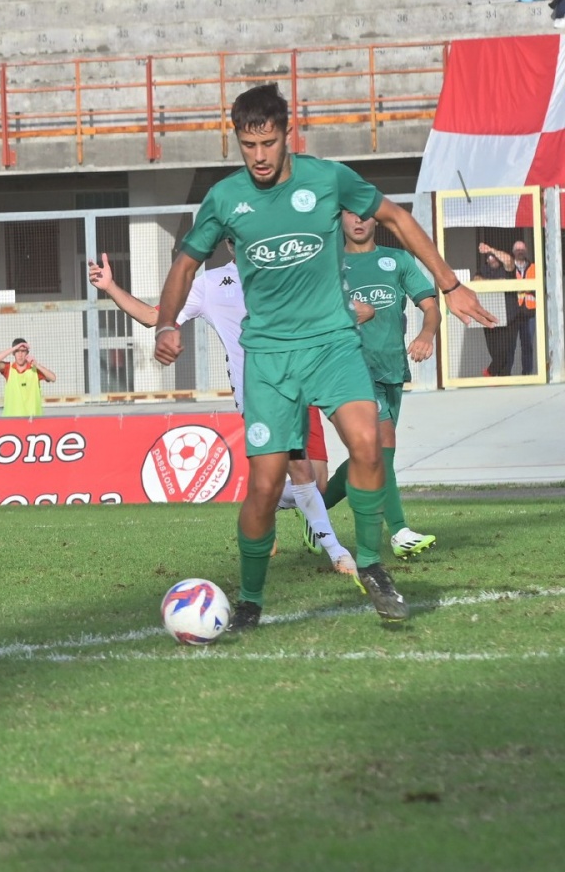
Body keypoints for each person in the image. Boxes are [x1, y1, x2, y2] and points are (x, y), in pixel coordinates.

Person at [151, 84, 492, 632]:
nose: (258, 156)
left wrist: (450, 285)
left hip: (333, 342)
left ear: (288, 134)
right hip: (268, 358)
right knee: (265, 486)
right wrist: (167, 324)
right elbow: (185, 265)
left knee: (369, 444)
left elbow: (399, 220)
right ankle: (252, 602)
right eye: (247, 145)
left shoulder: (328, 178)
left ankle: (373, 566)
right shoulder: (225, 199)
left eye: (267, 142)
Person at [89, 250, 359, 574]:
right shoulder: (212, 284)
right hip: (258, 395)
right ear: (232, 244)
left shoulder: (285, 271)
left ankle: (267, 505)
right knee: (299, 472)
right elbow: (152, 316)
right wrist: (111, 287)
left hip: (303, 385)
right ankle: (337, 553)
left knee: (317, 482)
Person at [318, 211, 441, 560]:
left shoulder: (398, 260)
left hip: (391, 366)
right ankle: (399, 531)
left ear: (377, 222)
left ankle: (316, 512)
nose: (358, 222)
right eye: (350, 215)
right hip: (351, 368)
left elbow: (431, 308)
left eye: (366, 216)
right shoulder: (329, 263)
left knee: (370, 455)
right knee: (384, 441)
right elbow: (312, 311)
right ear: (339, 220)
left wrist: (425, 334)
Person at [479, 239, 538, 375]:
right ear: (513, 252)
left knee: (527, 346)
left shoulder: (534, 267)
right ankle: (506, 376)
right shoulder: (508, 268)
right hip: (512, 314)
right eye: (517, 249)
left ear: (526, 251)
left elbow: (540, 286)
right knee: (509, 348)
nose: (520, 251)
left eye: (522, 249)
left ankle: (527, 376)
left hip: (529, 313)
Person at [0, 339, 55, 417]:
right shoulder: (9, 368)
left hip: (32, 421)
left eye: (23, 351)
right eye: (17, 351)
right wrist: (15, 347)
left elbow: (53, 378)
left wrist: (37, 365)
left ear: (27, 353)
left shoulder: (34, 370)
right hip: (11, 420)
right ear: (14, 353)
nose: (20, 355)